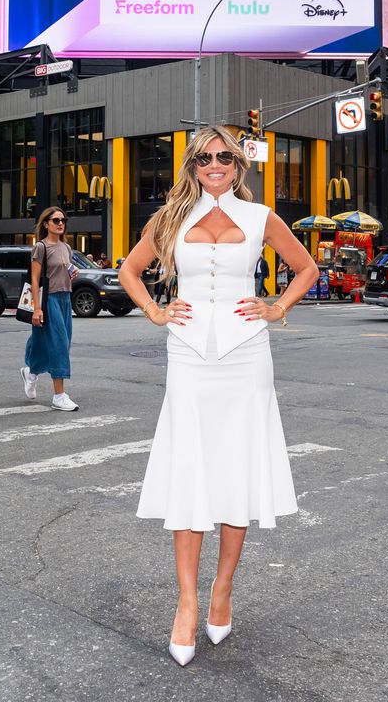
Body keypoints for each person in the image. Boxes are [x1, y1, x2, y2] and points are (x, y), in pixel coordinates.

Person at [118, 125, 318, 667]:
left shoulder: (261, 218)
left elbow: (307, 268)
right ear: (192, 164)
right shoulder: (170, 218)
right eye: (206, 157)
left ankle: (222, 591)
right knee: (191, 472)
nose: (215, 164)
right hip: (187, 352)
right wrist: (157, 312)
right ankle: (186, 603)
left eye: (224, 156)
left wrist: (276, 308)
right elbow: (130, 271)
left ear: (238, 163)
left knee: (236, 471)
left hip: (247, 353)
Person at [20, 206, 79, 412]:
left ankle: (31, 372)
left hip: (65, 298)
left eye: (63, 220)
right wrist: (37, 308)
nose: (61, 223)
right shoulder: (41, 247)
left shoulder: (67, 247)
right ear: (46, 224)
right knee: (59, 344)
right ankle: (59, 396)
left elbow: (64, 269)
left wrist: (71, 273)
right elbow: (35, 280)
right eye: (56, 220)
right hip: (48, 299)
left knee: (45, 341)